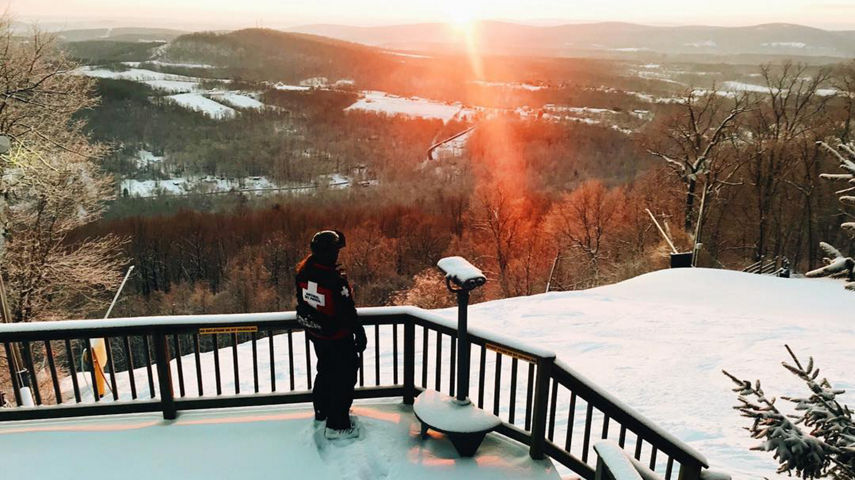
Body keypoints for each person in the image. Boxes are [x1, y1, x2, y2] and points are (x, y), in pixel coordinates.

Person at [295, 230, 367, 440]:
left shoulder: (304, 272)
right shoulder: (335, 279)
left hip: (318, 334)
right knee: (345, 377)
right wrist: (359, 332)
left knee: (325, 370)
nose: (338, 254)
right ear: (330, 253)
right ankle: (338, 424)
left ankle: (322, 410)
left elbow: (303, 302)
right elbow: (347, 310)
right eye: (336, 250)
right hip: (338, 336)